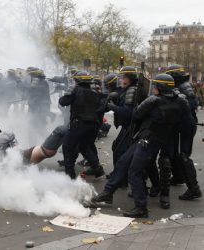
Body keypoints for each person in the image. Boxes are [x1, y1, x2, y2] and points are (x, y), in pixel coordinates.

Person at [91, 74, 194, 217]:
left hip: (149, 140)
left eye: (156, 86)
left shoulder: (154, 102)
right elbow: (188, 123)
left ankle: (141, 207)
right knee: (123, 162)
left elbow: (136, 115)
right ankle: (108, 193)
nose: (153, 89)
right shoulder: (180, 102)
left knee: (134, 172)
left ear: (160, 88)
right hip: (156, 138)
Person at [59, 71, 102, 179]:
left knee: (67, 147)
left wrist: (67, 91)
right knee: (84, 146)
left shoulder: (75, 89)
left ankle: (70, 176)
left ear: (77, 80)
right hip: (93, 125)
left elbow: (63, 102)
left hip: (80, 124)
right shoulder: (94, 91)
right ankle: (96, 167)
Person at [165, 65, 199, 186]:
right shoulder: (178, 86)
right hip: (181, 123)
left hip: (187, 124)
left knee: (184, 155)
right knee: (175, 152)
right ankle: (178, 177)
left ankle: (193, 188)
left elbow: (193, 103)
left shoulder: (184, 86)